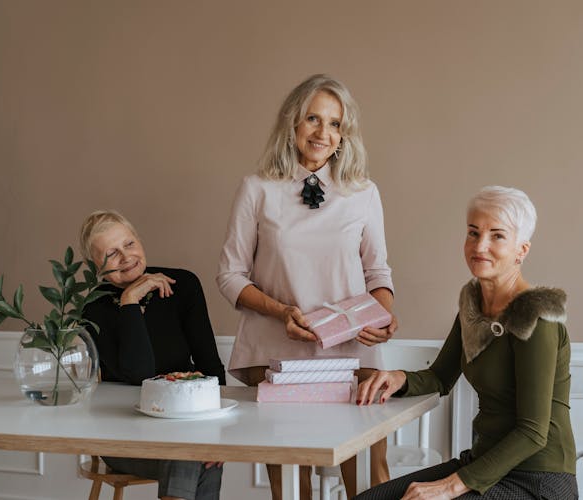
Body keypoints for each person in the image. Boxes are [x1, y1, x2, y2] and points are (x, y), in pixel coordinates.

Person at [217, 73, 397, 500]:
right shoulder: (257, 188)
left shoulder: (363, 193)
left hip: (353, 354)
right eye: (313, 119)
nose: (323, 132)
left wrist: (385, 316)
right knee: (290, 483)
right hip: (278, 355)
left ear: (344, 134)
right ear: (292, 123)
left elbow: (378, 274)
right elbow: (230, 275)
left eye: (335, 123)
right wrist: (283, 313)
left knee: (369, 478)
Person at [355, 186, 578, 500]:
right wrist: (397, 378)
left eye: (497, 235)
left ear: (522, 249)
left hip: (537, 479)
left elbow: (532, 432)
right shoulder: (472, 307)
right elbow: (440, 377)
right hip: (486, 461)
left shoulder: (535, 317)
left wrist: (451, 486)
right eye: (473, 233)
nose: (480, 245)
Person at [80, 209, 226, 500]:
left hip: (186, 428)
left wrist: (217, 436)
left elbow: (209, 363)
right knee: (188, 451)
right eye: (111, 254)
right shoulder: (94, 310)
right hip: (121, 436)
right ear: (95, 267)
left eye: (129, 244)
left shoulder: (182, 285)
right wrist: (130, 302)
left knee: (195, 450)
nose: (125, 257)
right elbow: (139, 374)